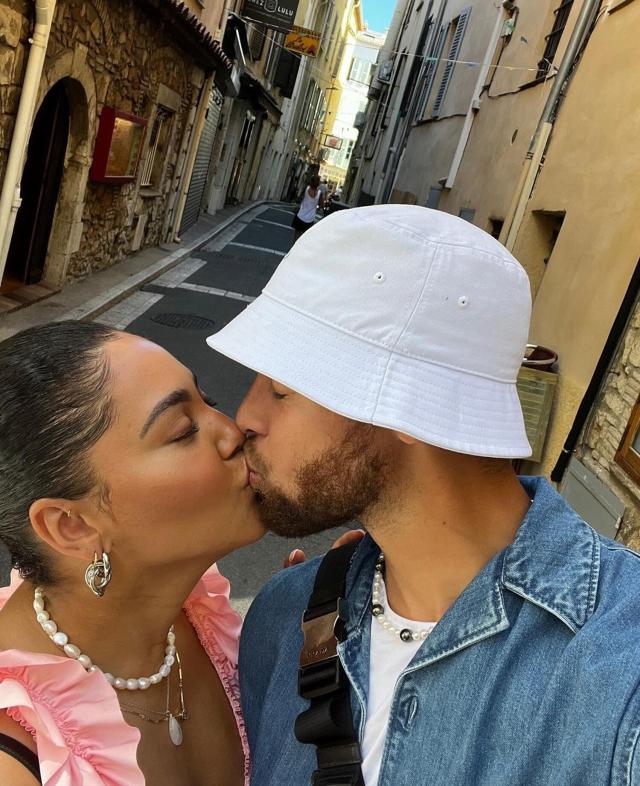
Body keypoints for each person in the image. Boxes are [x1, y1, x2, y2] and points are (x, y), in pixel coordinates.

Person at [206, 204, 640, 786]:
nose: (245, 419)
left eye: (282, 389)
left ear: (411, 404)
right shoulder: (285, 617)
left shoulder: (620, 678)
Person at [0, 321, 355, 785]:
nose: (234, 432)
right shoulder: (22, 758)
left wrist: (301, 651)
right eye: (183, 430)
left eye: (208, 401)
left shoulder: (202, 616)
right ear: (72, 525)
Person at [292, 175, 324, 243]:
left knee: (296, 236)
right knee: (304, 238)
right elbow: (321, 206)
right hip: (310, 219)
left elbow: (299, 198)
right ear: (318, 183)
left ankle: (293, 251)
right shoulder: (319, 193)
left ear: (311, 181)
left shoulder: (306, 188)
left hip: (300, 215)